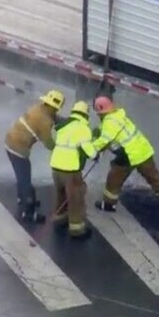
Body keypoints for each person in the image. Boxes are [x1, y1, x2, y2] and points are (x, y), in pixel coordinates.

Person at [90, 96, 159, 212]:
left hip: (128, 155)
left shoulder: (109, 123)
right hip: (143, 151)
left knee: (114, 178)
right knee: (154, 177)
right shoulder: (118, 115)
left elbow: (104, 139)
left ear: (100, 112)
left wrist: (91, 149)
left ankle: (109, 205)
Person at [5, 89, 64, 223]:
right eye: (56, 109)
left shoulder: (39, 108)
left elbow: (53, 117)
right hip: (18, 148)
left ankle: (21, 198)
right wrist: (60, 149)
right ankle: (28, 212)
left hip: (10, 141)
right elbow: (48, 143)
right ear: (52, 107)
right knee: (25, 178)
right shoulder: (44, 121)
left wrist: (63, 120)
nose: (56, 111)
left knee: (21, 175)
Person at [50, 100, 98, 238]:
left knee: (61, 194)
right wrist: (95, 155)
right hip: (70, 170)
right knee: (76, 198)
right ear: (86, 114)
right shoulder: (83, 128)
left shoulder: (64, 126)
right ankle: (77, 230)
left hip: (56, 168)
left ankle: (60, 218)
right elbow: (88, 148)